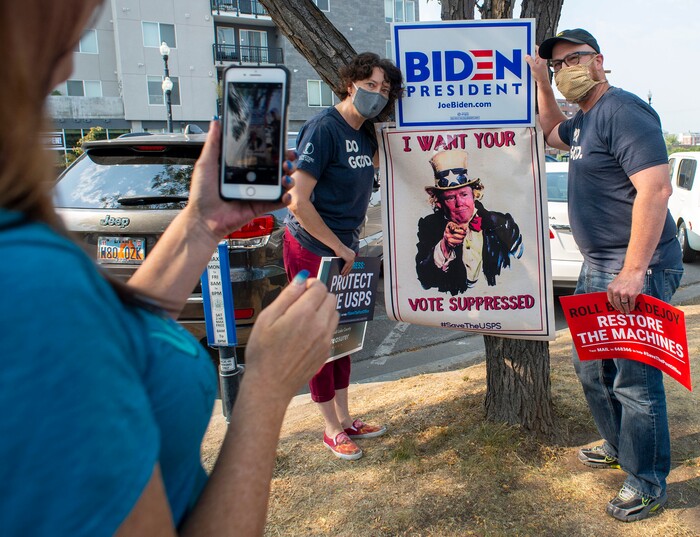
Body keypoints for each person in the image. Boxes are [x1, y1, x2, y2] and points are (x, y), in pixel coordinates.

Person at [0, 1, 340, 535]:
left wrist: (202, 222)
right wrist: (267, 388)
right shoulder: (33, 294)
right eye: (62, 40)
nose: (66, 70)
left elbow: (117, 347)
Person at [525, 28, 683, 522]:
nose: (567, 69)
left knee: (635, 380)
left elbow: (656, 191)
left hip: (639, 268)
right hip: (598, 267)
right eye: (558, 64)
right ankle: (620, 447)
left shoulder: (623, 110)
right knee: (592, 370)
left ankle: (647, 481)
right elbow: (552, 134)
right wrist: (543, 88)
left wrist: (635, 270)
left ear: (599, 62)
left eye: (575, 59)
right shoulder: (586, 120)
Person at [284, 52, 403, 460]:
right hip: (312, 248)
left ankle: (347, 418)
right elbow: (298, 201)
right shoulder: (323, 128)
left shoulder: (366, 133)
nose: (377, 94)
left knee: (345, 338)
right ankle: (330, 428)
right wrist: (337, 247)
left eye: (385, 90)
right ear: (350, 83)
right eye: (370, 85)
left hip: (345, 250)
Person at [415, 149, 523, 295]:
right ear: (439, 203)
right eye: (450, 198)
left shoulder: (503, 224)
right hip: (452, 306)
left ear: (475, 195)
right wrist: (445, 246)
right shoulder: (428, 226)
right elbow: (424, 281)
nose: (460, 203)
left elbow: (520, 271)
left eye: (464, 194)